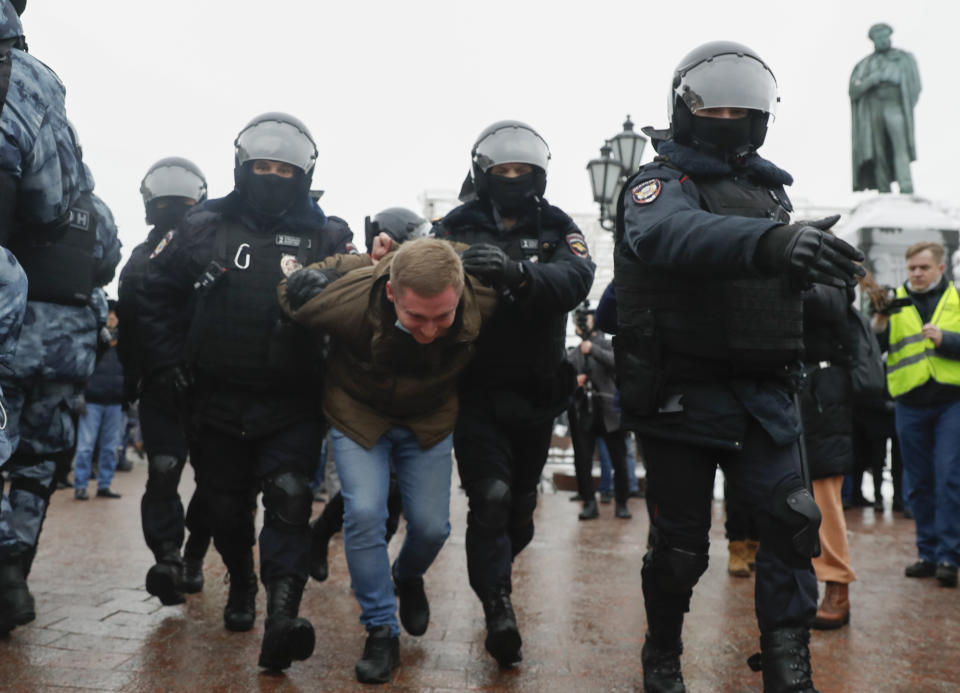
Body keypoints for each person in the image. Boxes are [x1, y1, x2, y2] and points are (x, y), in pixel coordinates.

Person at [613, 41, 864, 693]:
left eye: (740, 107)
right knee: (681, 549)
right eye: (714, 104)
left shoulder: (768, 195)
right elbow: (672, 236)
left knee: (792, 518)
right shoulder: (658, 184)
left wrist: (834, 293)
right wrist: (776, 243)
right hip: (681, 394)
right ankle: (663, 652)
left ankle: (789, 666)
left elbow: (788, 288)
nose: (727, 116)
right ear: (686, 107)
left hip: (764, 393)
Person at [138, 112, 356, 671]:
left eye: (283, 168)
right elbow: (153, 293)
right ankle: (241, 581)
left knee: (288, 497)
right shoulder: (202, 225)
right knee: (226, 509)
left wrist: (331, 279)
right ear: (242, 166)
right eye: (262, 166)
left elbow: (357, 293)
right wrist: (164, 363)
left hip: (292, 401)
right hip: (215, 398)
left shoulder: (329, 233)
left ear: (303, 172)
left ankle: (283, 619)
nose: (271, 175)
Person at [280, 235, 497, 683]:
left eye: (443, 316)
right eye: (416, 316)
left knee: (433, 526)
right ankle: (381, 628)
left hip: (429, 420)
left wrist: (516, 270)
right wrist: (325, 272)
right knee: (363, 512)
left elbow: (554, 288)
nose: (430, 330)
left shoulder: (481, 295)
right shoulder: (353, 299)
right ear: (392, 293)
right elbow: (290, 293)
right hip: (359, 413)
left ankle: (408, 575)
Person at [432, 120, 595, 668]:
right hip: (475, 392)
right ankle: (499, 609)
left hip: (536, 393)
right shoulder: (454, 226)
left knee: (519, 513)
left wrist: (519, 274)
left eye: (521, 171)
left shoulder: (556, 226)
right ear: (483, 174)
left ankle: (495, 568)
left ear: (538, 175)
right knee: (492, 499)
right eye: (502, 171)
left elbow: (576, 279)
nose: (511, 178)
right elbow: (414, 278)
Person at [0, 0, 121, 635]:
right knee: (38, 467)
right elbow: (102, 268)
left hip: (13, 338)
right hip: (64, 354)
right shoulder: (96, 213)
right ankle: (15, 572)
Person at [117, 157, 212, 606]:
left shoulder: (212, 249)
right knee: (163, 472)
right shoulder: (137, 261)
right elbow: (131, 331)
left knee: (215, 483)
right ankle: (169, 557)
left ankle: (194, 553)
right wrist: (132, 378)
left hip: (210, 384)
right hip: (159, 387)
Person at [873, 241, 960, 588]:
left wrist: (947, 341)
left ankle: (949, 556)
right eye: (912, 269)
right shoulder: (891, 302)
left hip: (952, 402)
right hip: (909, 403)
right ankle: (927, 552)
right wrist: (879, 320)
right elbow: (871, 346)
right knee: (918, 482)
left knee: (949, 477)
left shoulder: (956, 300)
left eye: (924, 268)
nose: (917, 274)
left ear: (940, 268)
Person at [798, 284, 858, 629]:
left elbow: (823, 300)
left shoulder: (832, 287)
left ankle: (837, 583)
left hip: (822, 396)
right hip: (798, 390)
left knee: (825, 495)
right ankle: (803, 584)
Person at [566, 302, 631, 520]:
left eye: (587, 316)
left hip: (610, 415)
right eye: (580, 318)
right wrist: (574, 382)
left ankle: (621, 502)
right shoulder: (574, 353)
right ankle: (589, 502)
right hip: (584, 414)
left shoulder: (606, 344)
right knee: (582, 461)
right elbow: (563, 380)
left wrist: (592, 349)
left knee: (619, 460)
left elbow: (617, 363)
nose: (583, 320)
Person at [849, 23, 921, 194]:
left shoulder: (903, 58)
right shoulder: (865, 65)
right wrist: (872, 79)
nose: (882, 40)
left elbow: (914, 85)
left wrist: (904, 104)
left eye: (884, 36)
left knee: (899, 146)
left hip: (894, 104)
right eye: (877, 38)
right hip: (873, 107)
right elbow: (854, 90)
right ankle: (883, 188)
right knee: (877, 149)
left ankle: (906, 185)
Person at [72, 303, 125, 500]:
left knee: (110, 448)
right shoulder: (94, 339)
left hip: (115, 401)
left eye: (115, 315)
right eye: (109, 315)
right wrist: (80, 394)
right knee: (85, 446)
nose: (112, 318)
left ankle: (104, 484)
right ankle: (80, 485)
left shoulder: (125, 342)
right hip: (92, 400)